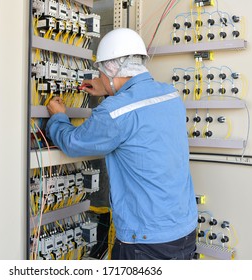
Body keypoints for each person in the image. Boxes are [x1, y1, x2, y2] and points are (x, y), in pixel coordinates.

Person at [46, 28, 198, 260]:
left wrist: (58, 117)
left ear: (111, 68)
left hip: (146, 242)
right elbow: (135, 122)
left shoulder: (115, 111)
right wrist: (108, 89)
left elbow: (74, 143)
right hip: (184, 231)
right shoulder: (170, 96)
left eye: (102, 71)